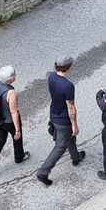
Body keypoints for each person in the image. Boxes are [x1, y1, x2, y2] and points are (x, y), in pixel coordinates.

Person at [36, 55, 86, 186]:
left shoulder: (51, 76)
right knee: (60, 146)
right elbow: (71, 107)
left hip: (54, 113)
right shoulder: (68, 86)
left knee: (70, 139)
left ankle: (76, 157)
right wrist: (75, 125)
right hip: (63, 120)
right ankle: (43, 172)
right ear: (69, 67)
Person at [0, 65, 30, 176]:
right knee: (17, 138)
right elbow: (13, 112)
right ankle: (19, 157)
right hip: (9, 121)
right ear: (10, 79)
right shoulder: (10, 93)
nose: (16, 75)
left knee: (0, 138)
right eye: (14, 74)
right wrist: (17, 129)